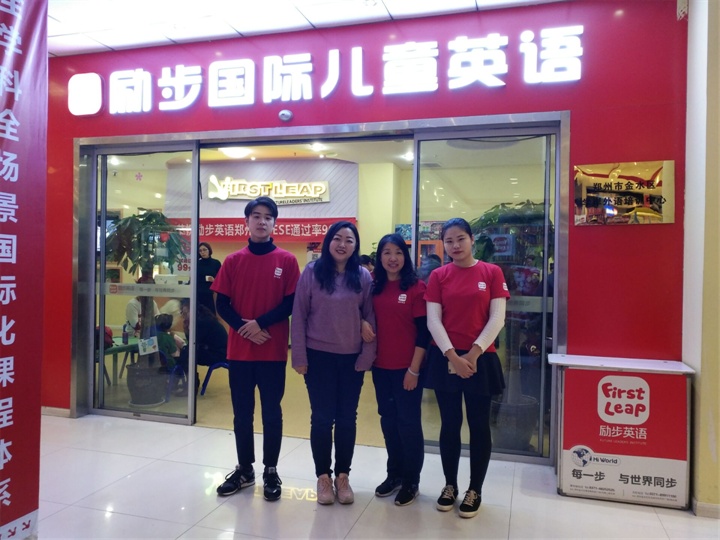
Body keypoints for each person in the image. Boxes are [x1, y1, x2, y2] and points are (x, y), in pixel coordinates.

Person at [211, 196, 301, 502]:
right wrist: (243, 328)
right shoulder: (233, 261)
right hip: (240, 352)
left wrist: (260, 323)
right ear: (246, 221)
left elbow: (291, 303)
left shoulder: (286, 261)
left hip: (272, 351)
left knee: (272, 413)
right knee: (242, 414)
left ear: (275, 223)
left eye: (268, 217)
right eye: (256, 216)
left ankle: (270, 470)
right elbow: (222, 304)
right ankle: (245, 469)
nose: (262, 221)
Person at [424, 217, 509, 519]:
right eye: (449, 241)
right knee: (449, 424)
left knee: (479, 425)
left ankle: (475, 489)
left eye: (460, 239)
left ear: (472, 239)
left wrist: (471, 355)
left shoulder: (492, 272)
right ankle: (450, 485)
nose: (455, 245)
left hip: (480, 359)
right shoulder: (438, 275)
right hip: (446, 357)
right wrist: (453, 357)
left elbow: (497, 318)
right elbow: (433, 320)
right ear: (443, 245)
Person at [291, 220, 376, 505]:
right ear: (328, 242)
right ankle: (323, 477)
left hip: (352, 359)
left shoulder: (362, 276)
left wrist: (366, 356)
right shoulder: (312, 272)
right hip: (318, 357)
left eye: (349, 240)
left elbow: (370, 316)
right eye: (337, 238)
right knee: (322, 418)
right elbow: (299, 315)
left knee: (347, 418)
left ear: (355, 246)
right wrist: (299, 356)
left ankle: (343, 476)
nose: (342, 244)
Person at [363, 233, 429, 506]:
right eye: (387, 253)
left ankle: (411, 480)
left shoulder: (416, 287)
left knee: (408, 423)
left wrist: (413, 370)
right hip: (381, 367)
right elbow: (360, 314)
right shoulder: (373, 286)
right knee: (388, 421)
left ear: (406, 257)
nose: (392, 258)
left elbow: (423, 333)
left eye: (398, 253)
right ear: (379, 257)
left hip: (408, 369)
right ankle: (395, 474)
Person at [175, 299, 228, 396]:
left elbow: (194, 341)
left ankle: (191, 385)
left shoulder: (202, 321)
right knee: (186, 353)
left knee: (186, 354)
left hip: (218, 354)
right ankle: (190, 382)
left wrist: (188, 328)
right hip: (213, 350)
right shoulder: (202, 317)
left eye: (184, 312)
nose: (183, 314)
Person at [197, 242, 222, 314]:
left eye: (204, 250)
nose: (202, 252)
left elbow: (221, 278)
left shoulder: (216, 263)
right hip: (198, 293)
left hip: (209, 293)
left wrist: (214, 280)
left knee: (210, 314)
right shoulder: (197, 263)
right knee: (198, 315)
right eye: (200, 251)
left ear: (209, 250)